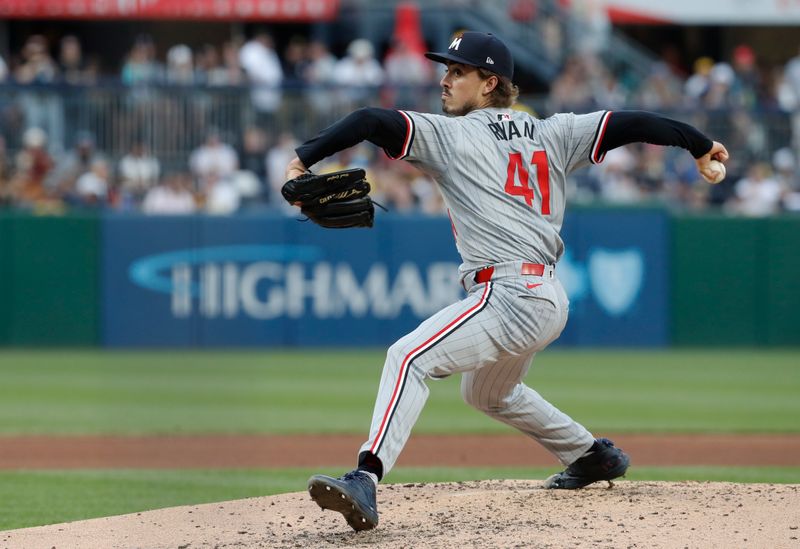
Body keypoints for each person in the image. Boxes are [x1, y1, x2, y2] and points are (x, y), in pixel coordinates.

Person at [285, 31, 729, 531]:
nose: (445, 79)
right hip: (547, 298)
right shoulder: (556, 131)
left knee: (407, 357)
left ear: (490, 82)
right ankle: (590, 454)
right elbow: (633, 122)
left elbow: (368, 119)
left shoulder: (451, 135)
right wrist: (697, 144)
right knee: (487, 394)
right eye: (446, 69)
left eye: (458, 72)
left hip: (509, 293)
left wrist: (303, 158)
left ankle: (366, 477)